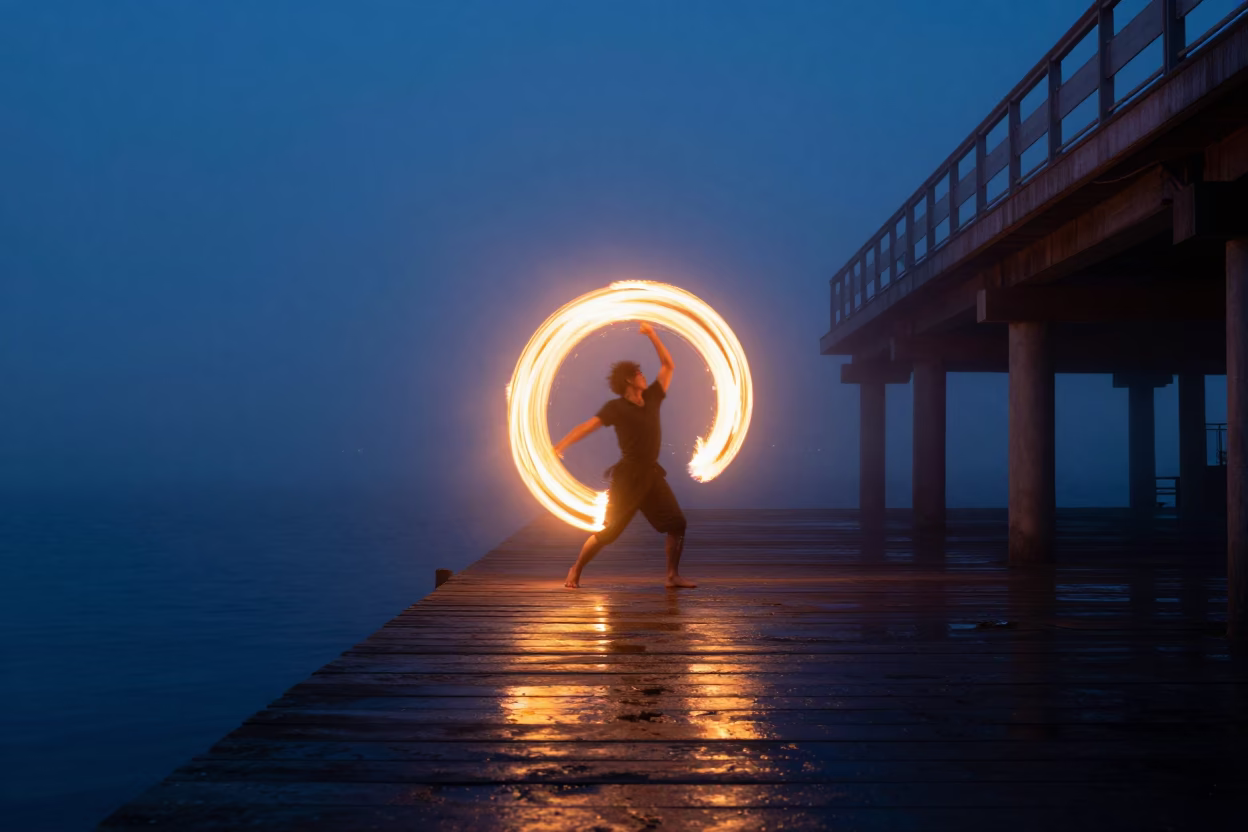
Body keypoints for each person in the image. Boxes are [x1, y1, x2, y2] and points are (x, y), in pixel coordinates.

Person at [553, 322, 695, 589]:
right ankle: (577, 567)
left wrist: (652, 334)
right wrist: (560, 446)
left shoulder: (652, 397)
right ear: (629, 379)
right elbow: (588, 426)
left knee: (678, 523)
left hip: (651, 474)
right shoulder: (615, 408)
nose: (644, 376)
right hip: (628, 478)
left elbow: (668, 366)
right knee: (610, 532)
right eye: (639, 373)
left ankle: (671, 576)